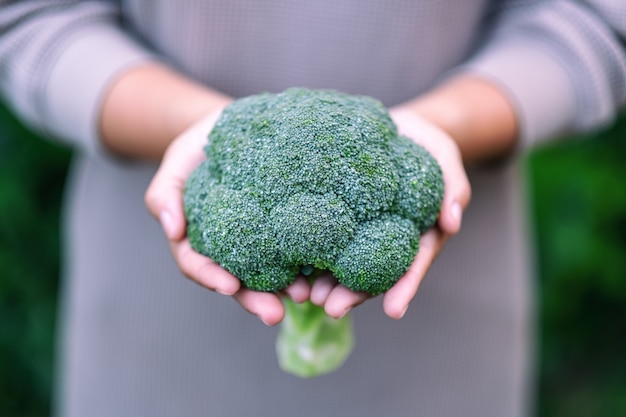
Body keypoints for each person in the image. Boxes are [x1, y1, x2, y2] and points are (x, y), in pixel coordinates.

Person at [0, 1, 624, 416]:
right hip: (153, 336)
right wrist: (197, 125)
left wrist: (448, 124)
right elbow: (31, 16)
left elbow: (595, 17)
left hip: (441, 350)